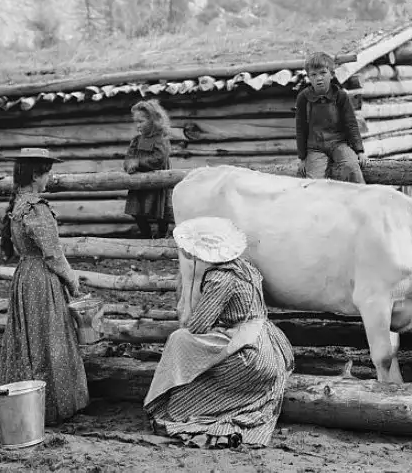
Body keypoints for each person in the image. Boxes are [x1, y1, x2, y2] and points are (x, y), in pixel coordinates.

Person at [143, 217, 295, 449]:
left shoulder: (220, 279)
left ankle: (184, 408)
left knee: (179, 341)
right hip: (267, 345)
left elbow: (198, 326)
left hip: (250, 359)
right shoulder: (245, 267)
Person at [0, 147, 89, 427]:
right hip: (41, 279)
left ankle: (27, 403)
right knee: (49, 338)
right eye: (48, 173)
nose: (50, 178)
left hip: (25, 276)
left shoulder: (18, 204)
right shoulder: (37, 208)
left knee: (29, 338)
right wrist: (72, 280)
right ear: (36, 175)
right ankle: (52, 406)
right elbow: (53, 254)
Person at [294, 52, 367, 183]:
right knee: (313, 182)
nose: (319, 78)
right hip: (315, 148)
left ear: (332, 74)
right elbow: (301, 128)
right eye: (314, 75)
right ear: (309, 77)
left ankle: (362, 195)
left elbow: (351, 124)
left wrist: (359, 151)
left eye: (323, 73)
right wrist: (302, 158)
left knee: (351, 167)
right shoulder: (303, 98)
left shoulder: (340, 96)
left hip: (339, 144)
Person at [124, 99, 175, 238]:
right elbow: (129, 157)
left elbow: (159, 158)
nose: (137, 126)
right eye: (136, 122)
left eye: (141, 121)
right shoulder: (136, 140)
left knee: (160, 211)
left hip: (157, 181)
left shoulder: (161, 139)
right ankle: (146, 234)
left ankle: (162, 235)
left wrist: (138, 163)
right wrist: (129, 164)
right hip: (139, 182)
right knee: (137, 210)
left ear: (153, 121)